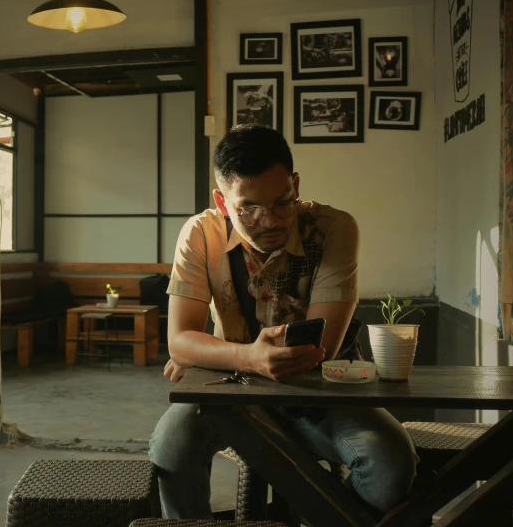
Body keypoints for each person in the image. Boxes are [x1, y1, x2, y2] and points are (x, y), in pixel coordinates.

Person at [148, 124, 418, 521]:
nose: (269, 220)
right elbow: (179, 343)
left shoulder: (334, 229)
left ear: (295, 184)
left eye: (282, 202)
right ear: (222, 202)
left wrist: (211, 354)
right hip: (229, 386)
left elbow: (318, 345)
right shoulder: (200, 233)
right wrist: (245, 358)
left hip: (322, 384)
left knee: (391, 461)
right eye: (249, 208)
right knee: (171, 449)